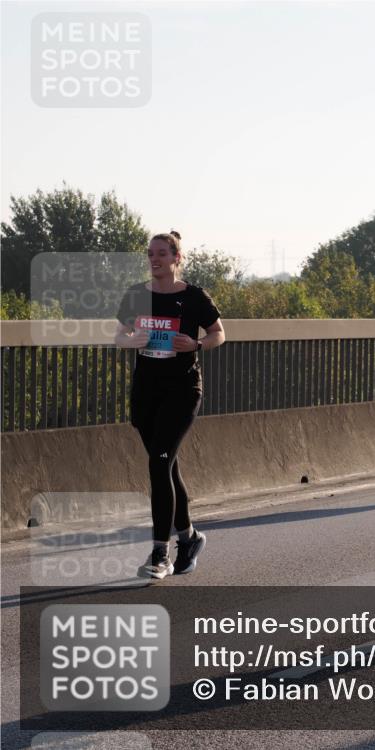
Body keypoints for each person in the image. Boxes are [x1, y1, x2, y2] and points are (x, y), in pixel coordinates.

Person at [115, 231, 225, 579]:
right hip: (147, 392)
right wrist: (132, 340)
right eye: (150, 254)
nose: (154, 259)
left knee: (160, 460)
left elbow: (219, 333)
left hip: (182, 390)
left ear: (176, 258)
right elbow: (118, 335)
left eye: (162, 253)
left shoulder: (193, 297)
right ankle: (190, 538)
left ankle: (160, 553)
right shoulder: (136, 296)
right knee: (165, 465)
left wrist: (194, 344)